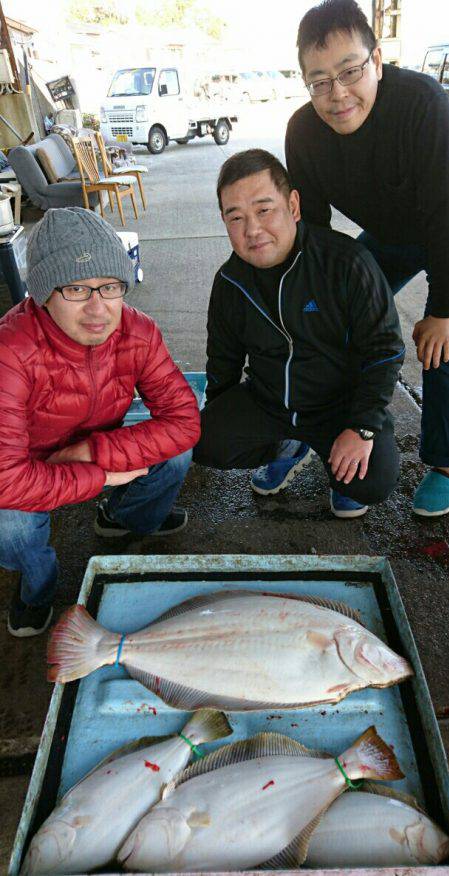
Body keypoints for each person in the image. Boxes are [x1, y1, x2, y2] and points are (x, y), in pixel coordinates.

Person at [0, 207, 200, 638]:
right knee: (8, 523)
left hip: (97, 440)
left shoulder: (138, 330)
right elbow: (5, 477)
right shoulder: (10, 351)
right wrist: (98, 475)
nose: (98, 308)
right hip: (32, 462)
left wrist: (93, 452)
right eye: (75, 288)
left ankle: (124, 517)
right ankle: (38, 588)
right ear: (42, 294)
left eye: (109, 287)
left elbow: (184, 421)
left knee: (177, 452)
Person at [285, 0, 449, 517]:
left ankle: (445, 463)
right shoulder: (304, 132)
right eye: (319, 80)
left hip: (445, 221)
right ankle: (338, 443)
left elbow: (446, 213)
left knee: (442, 344)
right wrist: (314, 308)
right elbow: (312, 232)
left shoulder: (423, 104)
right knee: (337, 314)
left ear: (377, 60)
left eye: (350, 71)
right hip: (391, 233)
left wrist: (442, 310)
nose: (337, 94)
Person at [193, 148, 404, 521]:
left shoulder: (347, 262)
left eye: (264, 210)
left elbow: (384, 351)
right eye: (236, 217)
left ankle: (340, 468)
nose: (252, 230)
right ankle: (288, 448)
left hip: (340, 407)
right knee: (202, 441)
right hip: (269, 403)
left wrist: (363, 427)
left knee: (372, 481)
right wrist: (220, 417)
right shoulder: (229, 282)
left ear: (292, 205)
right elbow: (222, 359)